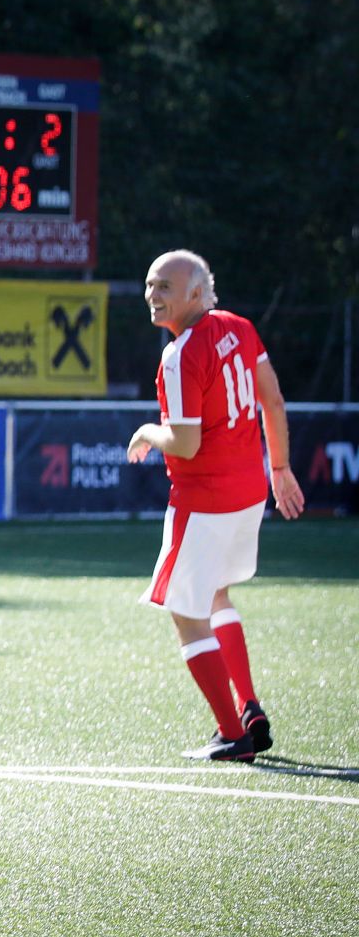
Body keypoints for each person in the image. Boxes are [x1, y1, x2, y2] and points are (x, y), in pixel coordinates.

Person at [126, 249, 304, 762]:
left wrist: (145, 432)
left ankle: (233, 734)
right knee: (217, 596)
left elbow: (183, 444)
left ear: (198, 294)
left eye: (165, 287)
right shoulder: (241, 329)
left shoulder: (180, 353)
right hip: (247, 493)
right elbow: (272, 399)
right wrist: (280, 468)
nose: (153, 296)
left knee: (186, 611)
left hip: (204, 500)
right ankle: (249, 706)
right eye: (150, 285)